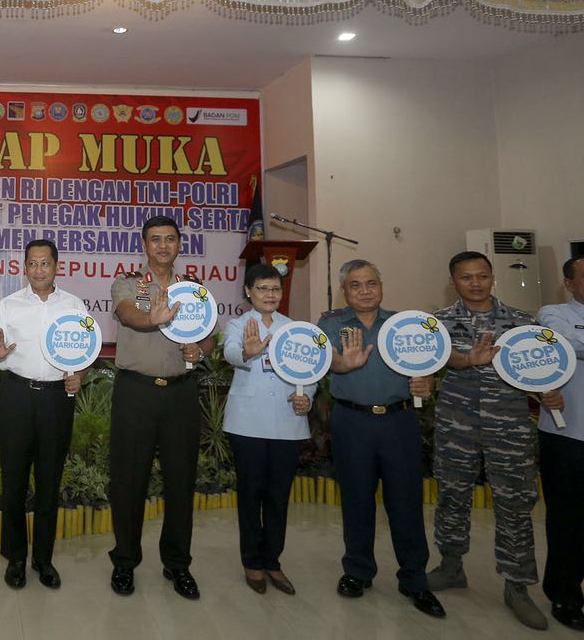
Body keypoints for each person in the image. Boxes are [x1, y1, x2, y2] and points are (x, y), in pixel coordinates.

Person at [427, 251, 552, 629]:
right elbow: (435, 359)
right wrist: (466, 360)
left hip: (508, 423)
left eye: (482, 276)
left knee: (514, 500)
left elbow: (540, 368)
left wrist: (550, 392)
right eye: (467, 277)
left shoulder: (520, 321)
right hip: (456, 420)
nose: (475, 283)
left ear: (493, 277)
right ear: (454, 281)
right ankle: (451, 566)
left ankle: (517, 585)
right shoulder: (439, 323)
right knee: (452, 492)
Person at [317, 260, 445, 618]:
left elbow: (428, 363)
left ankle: (414, 579)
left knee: (405, 502)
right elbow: (325, 364)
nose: (365, 290)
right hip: (351, 422)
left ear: (381, 286)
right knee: (356, 499)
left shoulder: (405, 325)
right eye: (355, 285)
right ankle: (358, 572)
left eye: (371, 282)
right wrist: (347, 363)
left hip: (399, 422)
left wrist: (427, 381)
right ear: (344, 290)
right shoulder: (329, 324)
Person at [106, 215, 212, 599]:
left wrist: (200, 349)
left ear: (179, 245)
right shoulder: (128, 284)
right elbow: (129, 315)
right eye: (155, 240)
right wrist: (154, 317)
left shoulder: (195, 290)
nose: (163, 246)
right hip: (137, 392)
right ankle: (124, 562)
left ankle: (178, 564)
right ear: (145, 245)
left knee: (181, 481)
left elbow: (210, 338)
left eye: (170, 239)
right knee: (129, 480)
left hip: (181, 394)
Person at [0, 239, 89, 590]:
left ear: (57, 266)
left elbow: (86, 352)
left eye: (45, 263)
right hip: (17, 396)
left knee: (49, 481)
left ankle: (43, 559)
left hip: (57, 399)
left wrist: (80, 375)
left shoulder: (74, 305)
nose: (39, 269)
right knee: (13, 480)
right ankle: (15, 557)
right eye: (32, 263)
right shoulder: (9, 305)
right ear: (24, 267)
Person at [221, 263, 312, 596]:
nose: (270, 295)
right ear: (248, 292)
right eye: (262, 288)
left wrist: (308, 398)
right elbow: (231, 352)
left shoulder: (296, 328)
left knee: (278, 496)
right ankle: (252, 562)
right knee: (250, 494)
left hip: (288, 422)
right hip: (247, 424)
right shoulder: (238, 325)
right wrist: (249, 351)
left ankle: (272, 561)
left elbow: (310, 370)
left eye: (275, 289)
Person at [536, 255, 584, 631]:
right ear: (569, 284)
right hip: (570, 435)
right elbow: (568, 345)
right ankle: (565, 595)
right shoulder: (553, 314)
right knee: (570, 523)